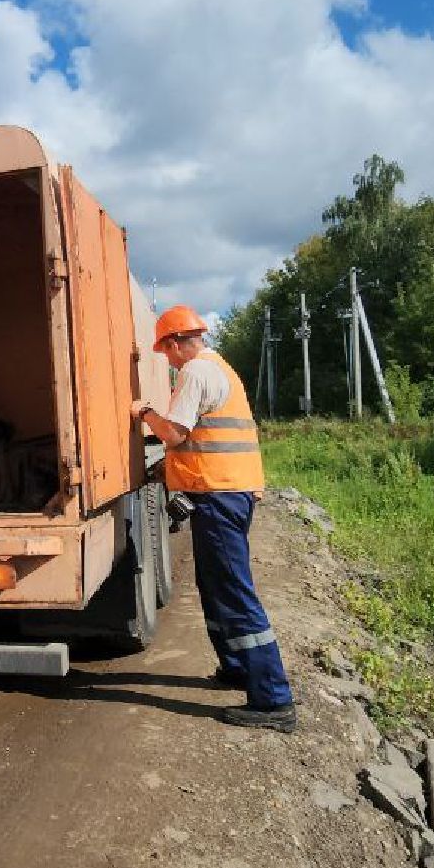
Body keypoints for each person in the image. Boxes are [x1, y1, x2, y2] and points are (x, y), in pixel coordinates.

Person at [132, 305, 295, 732]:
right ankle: (238, 667)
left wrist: (144, 413)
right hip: (230, 493)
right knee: (217, 586)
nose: (166, 360)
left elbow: (174, 433)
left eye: (165, 352)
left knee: (235, 594)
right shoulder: (220, 366)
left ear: (174, 343)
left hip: (220, 497)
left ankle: (274, 700)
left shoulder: (195, 373)